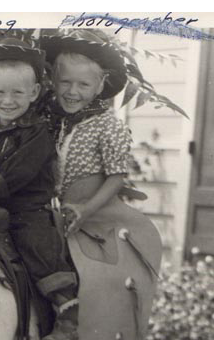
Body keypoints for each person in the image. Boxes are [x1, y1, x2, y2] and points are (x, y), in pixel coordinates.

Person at [0, 39, 80, 340]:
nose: (7, 101)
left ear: (34, 93)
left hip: (26, 208)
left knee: (35, 244)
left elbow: (22, 170)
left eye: (17, 93)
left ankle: (65, 309)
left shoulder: (37, 133)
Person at [40, 31, 133, 234]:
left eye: (84, 84)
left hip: (92, 216)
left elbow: (117, 176)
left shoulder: (107, 125)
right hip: (51, 216)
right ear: (54, 81)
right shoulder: (48, 119)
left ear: (99, 86)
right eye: (65, 82)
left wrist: (87, 210)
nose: (73, 92)